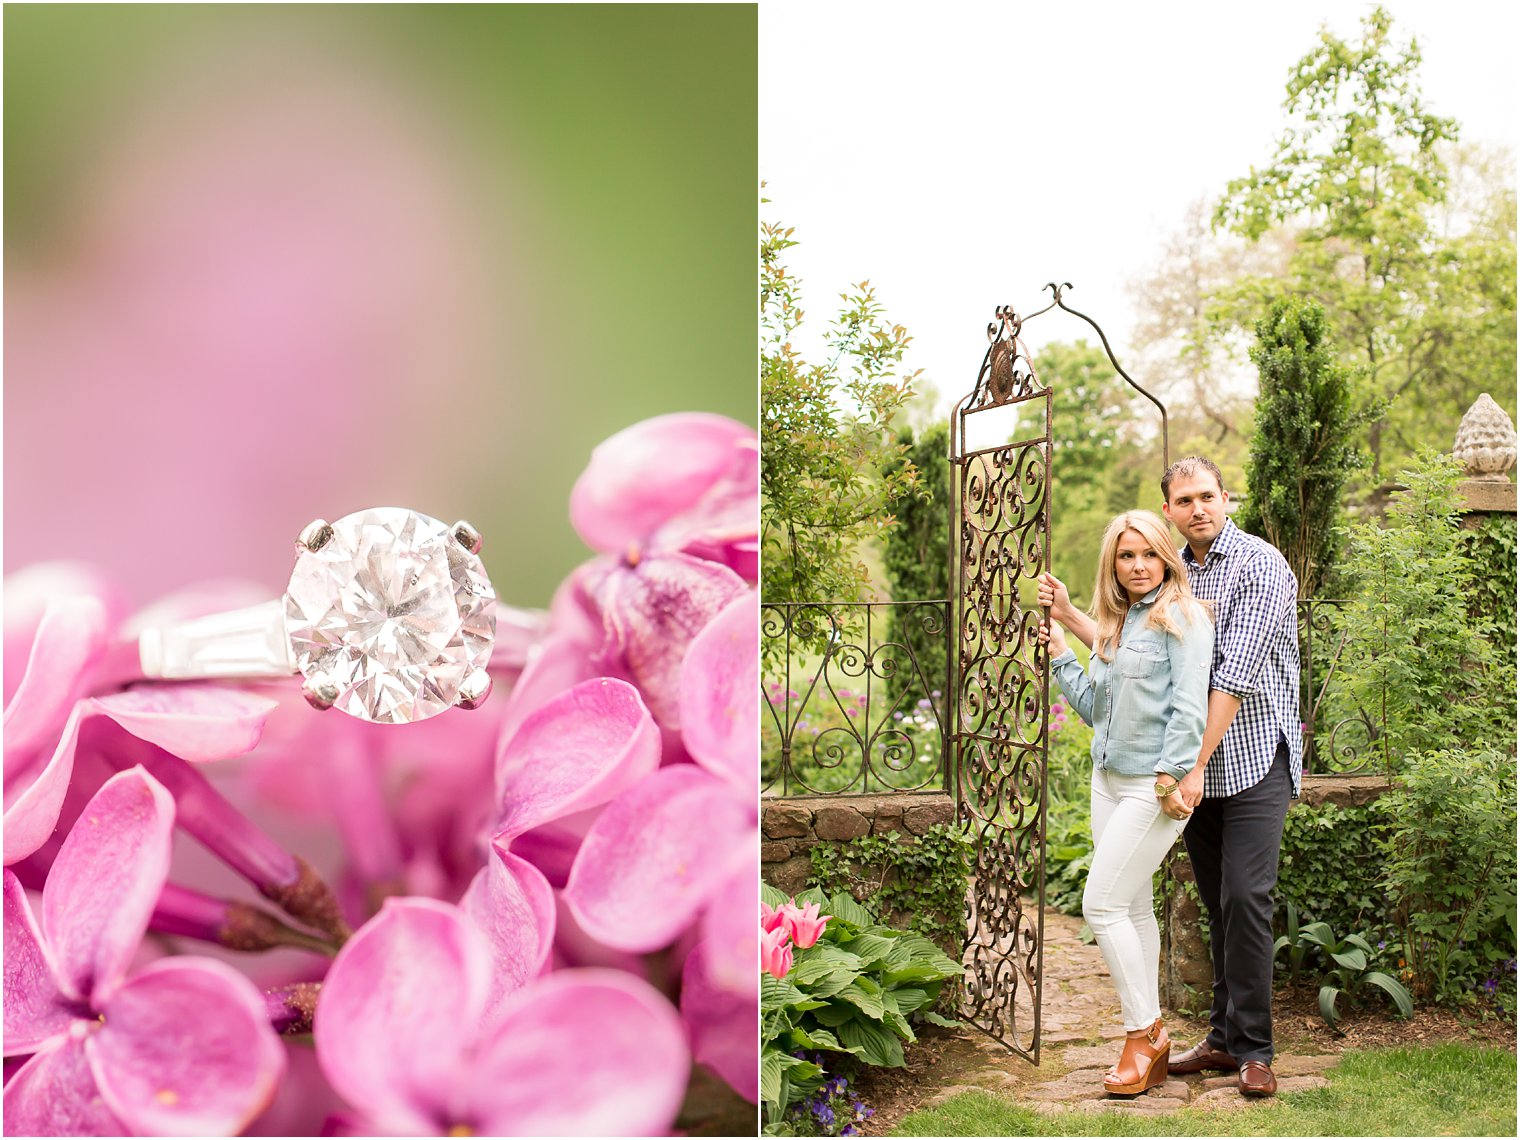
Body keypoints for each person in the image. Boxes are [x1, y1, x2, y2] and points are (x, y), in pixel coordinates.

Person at [1042, 456, 1301, 1099]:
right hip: (1188, 768)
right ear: (1169, 512)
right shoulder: (1168, 572)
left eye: (1207, 496)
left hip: (1246, 757)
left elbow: (1228, 677)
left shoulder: (1259, 565)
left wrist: (1186, 770)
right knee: (1216, 903)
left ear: (1226, 498)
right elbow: (1129, 657)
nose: (1198, 509)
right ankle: (1221, 1037)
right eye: (1184, 501)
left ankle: (1256, 1049)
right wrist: (1071, 624)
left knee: (1246, 898)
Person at [1036, 509, 1212, 1097]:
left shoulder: (1185, 617)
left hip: (1150, 786)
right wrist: (1063, 648)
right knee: (1133, 910)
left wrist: (1171, 778)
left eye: (1148, 554)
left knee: (1100, 905)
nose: (1138, 566)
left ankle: (1143, 1034)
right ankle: (1153, 1038)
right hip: (1106, 780)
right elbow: (1095, 711)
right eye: (1126, 555)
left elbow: (1190, 707)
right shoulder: (1118, 624)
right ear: (1113, 561)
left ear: (1166, 556)